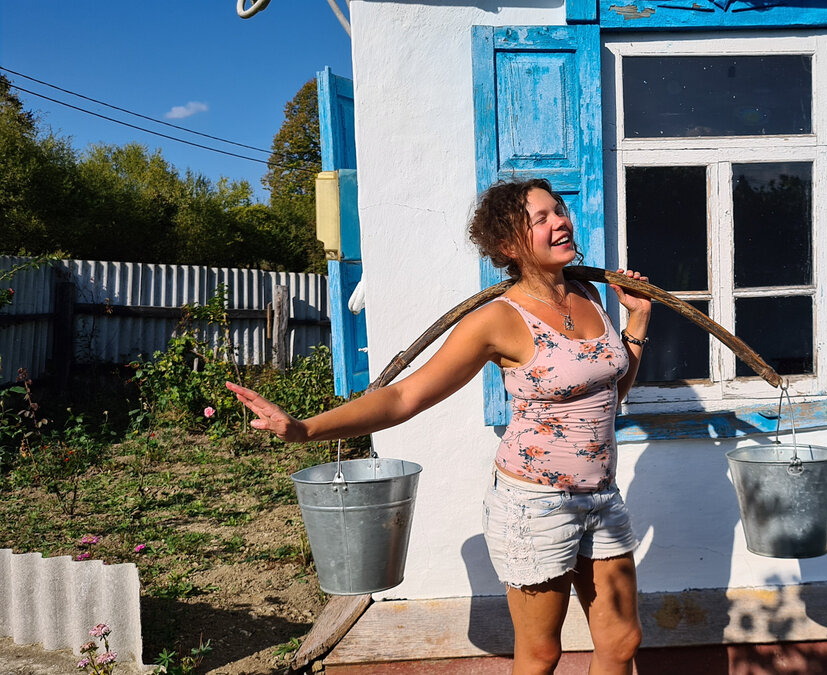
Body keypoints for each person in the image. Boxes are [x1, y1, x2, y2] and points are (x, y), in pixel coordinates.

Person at [226, 177, 651, 675]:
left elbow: (608, 395)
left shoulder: (588, 295)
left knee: (622, 640)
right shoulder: (498, 319)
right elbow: (406, 395)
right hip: (536, 506)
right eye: (541, 218)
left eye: (558, 210)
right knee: (541, 653)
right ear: (507, 245)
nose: (560, 221)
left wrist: (638, 323)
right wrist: (305, 429)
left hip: (601, 495)